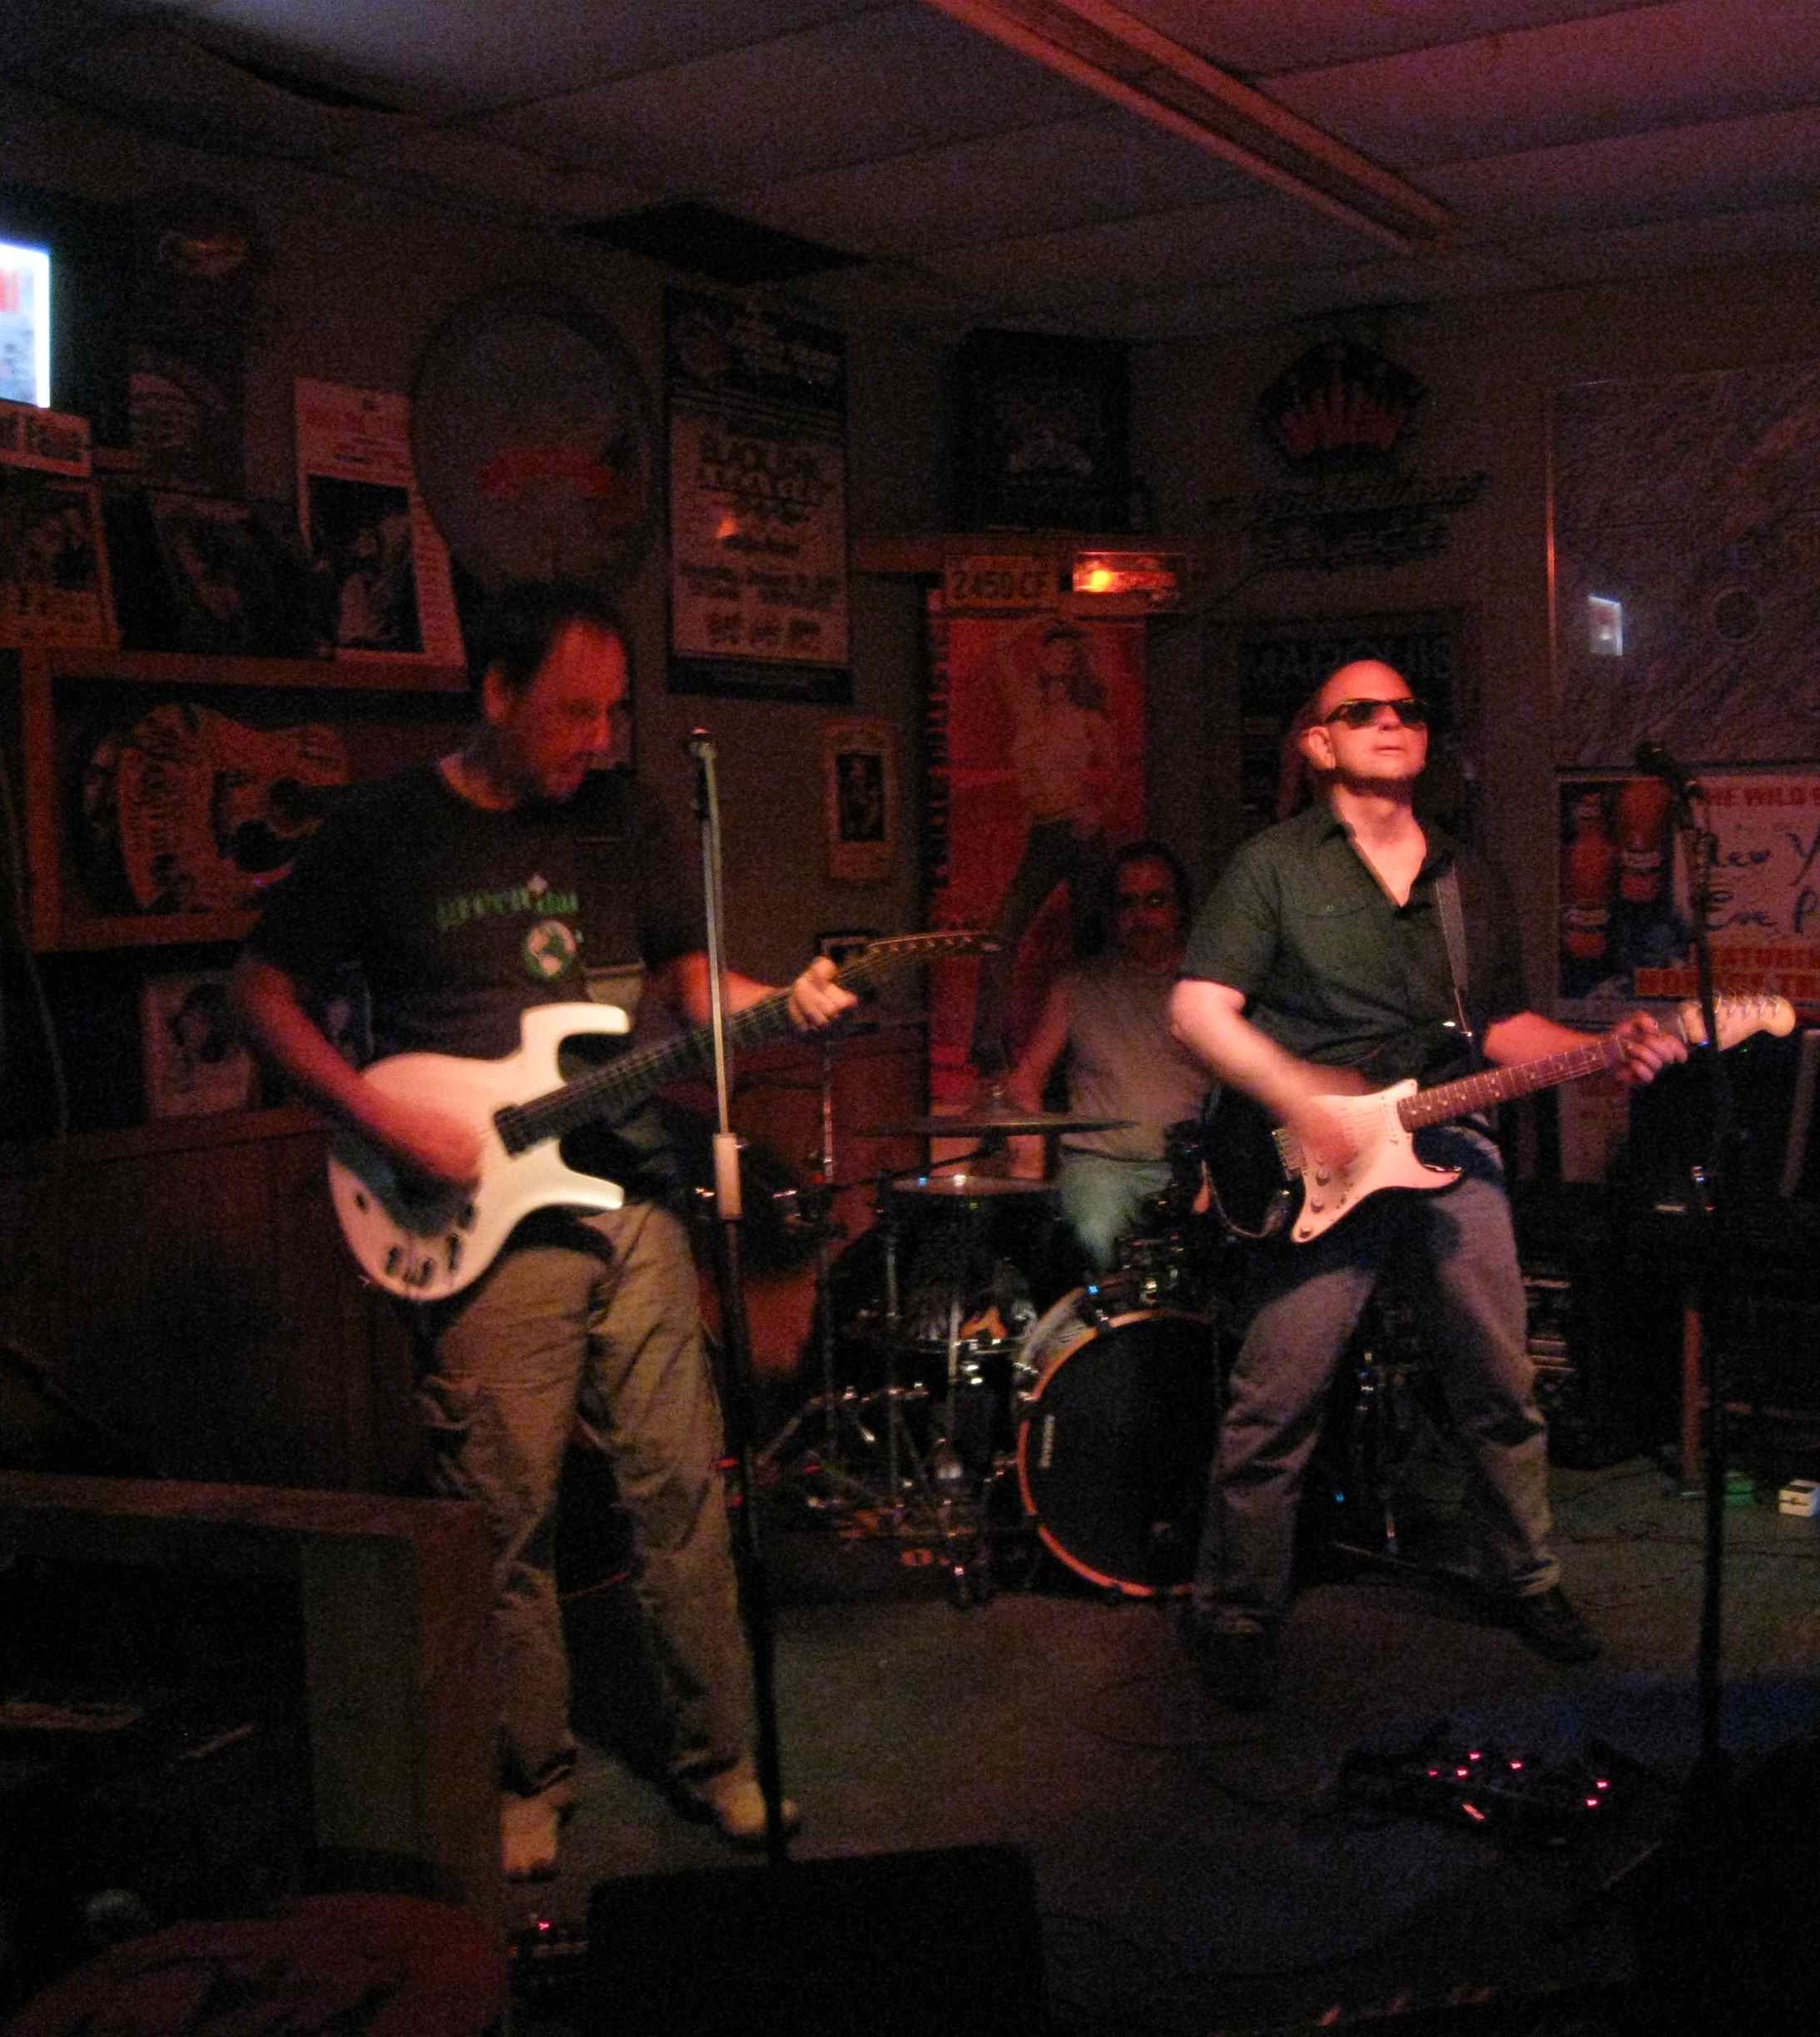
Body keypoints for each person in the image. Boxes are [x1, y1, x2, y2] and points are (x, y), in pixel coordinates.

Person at [230, 582, 855, 1881]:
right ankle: (528, 1776)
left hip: (628, 1194)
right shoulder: (385, 831)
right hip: (473, 1212)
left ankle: (723, 1761)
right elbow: (262, 993)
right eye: (575, 712)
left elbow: (691, 991)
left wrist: (783, 1003)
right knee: (503, 1512)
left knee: (682, 1488)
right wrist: (384, 1121)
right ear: (498, 693)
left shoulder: (630, 817)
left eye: (614, 712)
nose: (601, 739)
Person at [1168, 659, 1685, 1708]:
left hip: (1447, 1142)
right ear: (1318, 744)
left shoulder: (1465, 876)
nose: (1392, 721)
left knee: (1500, 1380)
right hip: (1317, 1158)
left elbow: (1498, 1029)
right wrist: (1302, 1092)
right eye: (1361, 711)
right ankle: (1236, 1605)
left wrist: (1603, 1050)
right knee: (1278, 1395)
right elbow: (1196, 1011)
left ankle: (1526, 1575)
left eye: (1407, 708)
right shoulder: (1273, 867)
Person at [1004, 839, 1212, 1274]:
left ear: (1180, 908)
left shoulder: (1211, 987)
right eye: (1127, 903)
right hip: (1101, 1167)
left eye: (1155, 901)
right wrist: (1028, 1164)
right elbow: (1027, 1081)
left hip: (1191, 1164)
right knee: (1095, 1235)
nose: (1141, 916)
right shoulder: (1076, 986)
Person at [970, 618, 1114, 1073]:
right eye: (1052, 650)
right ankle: (990, 1050)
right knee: (1000, 936)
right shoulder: (1027, 707)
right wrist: (1044, 613)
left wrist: (1097, 810)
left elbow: (1115, 775)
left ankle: (1090, 1052)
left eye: (1068, 653)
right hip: (1043, 832)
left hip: (1079, 832)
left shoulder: (1088, 718)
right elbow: (1001, 645)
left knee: (1090, 943)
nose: (1058, 659)